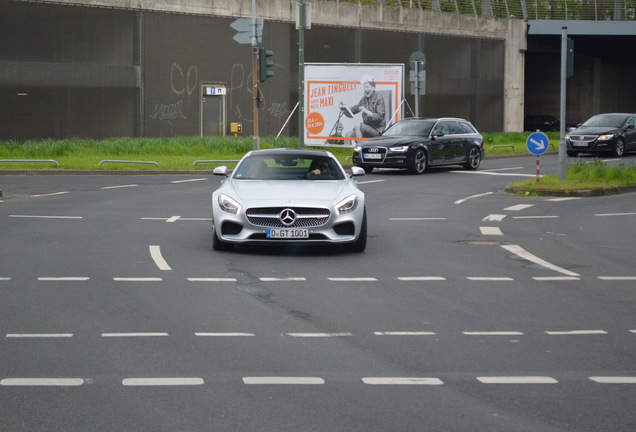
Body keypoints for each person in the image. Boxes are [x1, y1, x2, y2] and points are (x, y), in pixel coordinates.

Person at [339, 75, 386, 139]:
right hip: (366, 128)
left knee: (357, 125)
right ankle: (350, 148)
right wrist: (345, 109)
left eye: (367, 87)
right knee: (348, 134)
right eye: (364, 87)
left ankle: (360, 147)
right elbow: (354, 110)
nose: (366, 89)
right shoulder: (364, 99)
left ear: (373, 88)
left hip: (377, 130)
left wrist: (367, 112)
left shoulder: (379, 97)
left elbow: (380, 116)